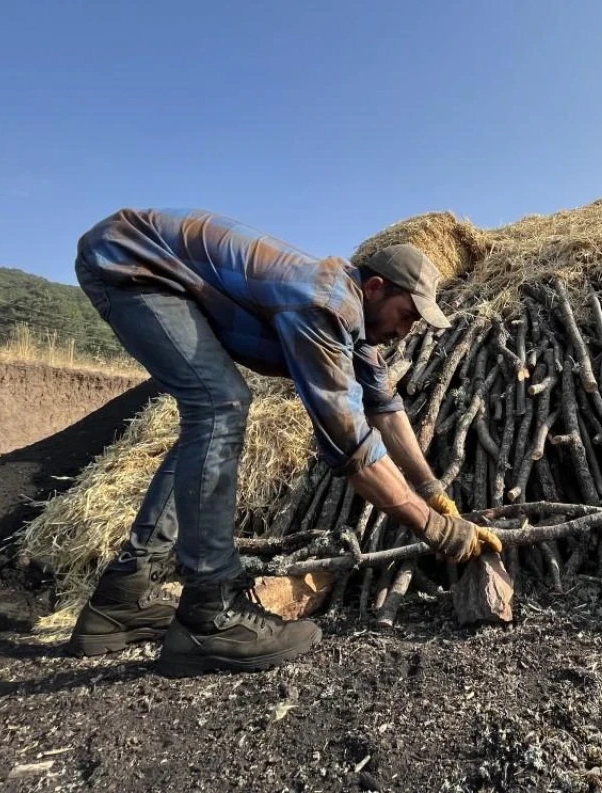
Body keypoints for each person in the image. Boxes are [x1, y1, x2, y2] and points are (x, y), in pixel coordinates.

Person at [66, 208, 502, 677]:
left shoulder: (358, 325)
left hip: (152, 261)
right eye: (406, 315)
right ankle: (210, 613)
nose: (404, 331)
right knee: (220, 405)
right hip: (131, 259)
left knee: (213, 411)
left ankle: (122, 598)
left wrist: (433, 491)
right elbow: (352, 445)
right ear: (376, 288)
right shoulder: (325, 304)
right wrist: (438, 533)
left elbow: (386, 410)